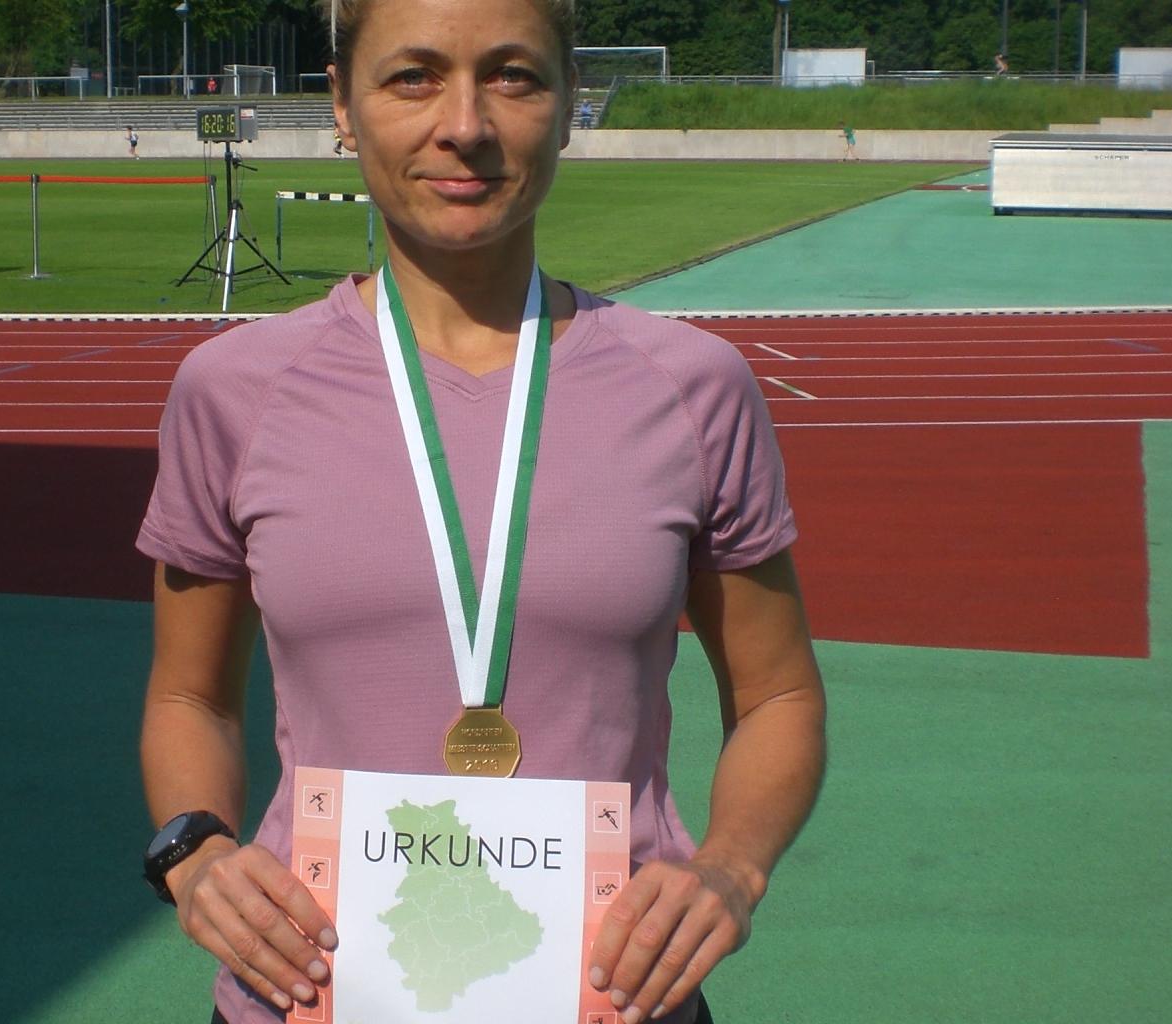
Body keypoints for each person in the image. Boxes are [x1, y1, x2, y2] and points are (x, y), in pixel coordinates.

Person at [136, 2, 826, 1023]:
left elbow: (778, 696)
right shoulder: (234, 390)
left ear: (569, 100)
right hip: (305, 994)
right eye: (412, 76)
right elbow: (190, 697)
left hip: (615, 997)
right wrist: (195, 853)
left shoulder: (693, 386)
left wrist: (730, 867)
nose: (465, 125)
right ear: (342, 105)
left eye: (513, 75)